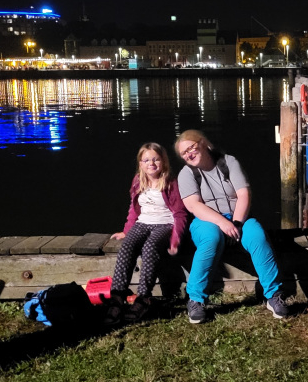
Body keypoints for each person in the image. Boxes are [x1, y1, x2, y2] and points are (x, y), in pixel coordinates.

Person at [174, 129, 288, 323]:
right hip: (206, 220)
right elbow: (194, 206)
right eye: (184, 153)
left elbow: (244, 194)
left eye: (191, 148)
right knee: (211, 238)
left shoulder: (229, 162)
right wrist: (222, 223)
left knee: (257, 236)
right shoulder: (186, 174)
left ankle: (274, 295)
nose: (189, 154)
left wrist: (235, 223)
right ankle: (196, 299)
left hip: (237, 217)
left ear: (203, 143)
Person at [110, 142, 189, 318]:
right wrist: (126, 231)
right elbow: (133, 209)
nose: (151, 163)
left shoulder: (170, 183)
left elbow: (180, 214)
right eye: (146, 160)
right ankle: (117, 298)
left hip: (165, 224)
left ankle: (143, 298)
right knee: (127, 246)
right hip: (142, 223)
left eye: (156, 159)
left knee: (150, 247)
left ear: (164, 161)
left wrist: (175, 239)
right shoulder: (138, 180)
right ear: (140, 163)